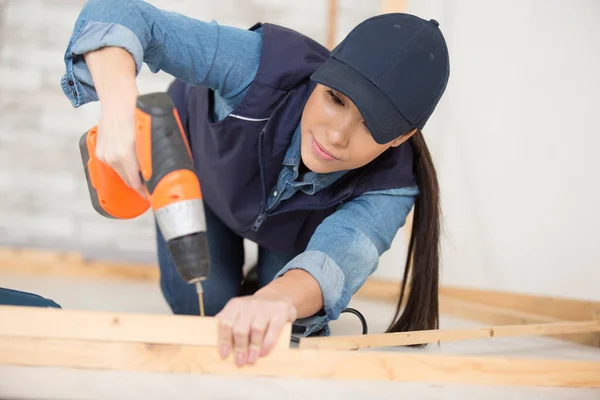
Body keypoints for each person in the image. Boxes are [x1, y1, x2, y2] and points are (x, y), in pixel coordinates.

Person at [60, 0, 449, 367]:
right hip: (201, 174)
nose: (336, 136)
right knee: (204, 308)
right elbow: (117, 10)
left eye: (371, 125)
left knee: (280, 326)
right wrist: (117, 104)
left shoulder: (393, 183)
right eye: (335, 98)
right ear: (324, 72)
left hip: (291, 236)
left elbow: (336, 262)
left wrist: (277, 299)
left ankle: (263, 283)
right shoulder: (260, 65)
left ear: (400, 137)